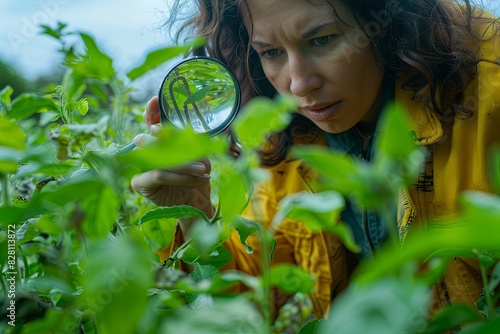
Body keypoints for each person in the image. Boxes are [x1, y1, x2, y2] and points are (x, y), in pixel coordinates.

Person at [131, 0, 500, 322]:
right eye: (270, 52)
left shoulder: (489, 89)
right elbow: (262, 306)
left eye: (322, 40)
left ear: (387, 18)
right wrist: (191, 209)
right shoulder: (285, 138)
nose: (298, 84)